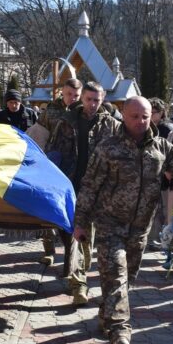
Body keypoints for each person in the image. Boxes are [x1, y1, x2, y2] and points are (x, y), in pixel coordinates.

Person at [74, 97, 173, 344]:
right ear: (123, 115)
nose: (141, 122)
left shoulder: (161, 148)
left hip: (140, 228)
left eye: (145, 116)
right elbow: (89, 186)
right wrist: (80, 223)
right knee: (117, 275)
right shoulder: (107, 148)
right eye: (135, 116)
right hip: (110, 224)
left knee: (125, 279)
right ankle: (120, 330)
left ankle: (106, 316)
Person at [47, 81, 120, 305]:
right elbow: (53, 151)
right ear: (82, 98)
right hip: (70, 186)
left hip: (98, 190)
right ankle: (78, 282)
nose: (92, 104)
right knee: (73, 234)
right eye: (88, 99)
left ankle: (80, 277)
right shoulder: (66, 122)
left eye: (97, 100)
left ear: (103, 98)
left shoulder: (111, 126)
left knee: (87, 237)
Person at [36, 79, 83, 267]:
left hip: (75, 168)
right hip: (52, 166)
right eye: (69, 94)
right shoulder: (51, 111)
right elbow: (39, 135)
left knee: (72, 213)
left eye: (76, 95)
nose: (72, 99)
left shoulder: (83, 112)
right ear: (62, 92)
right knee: (47, 208)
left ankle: (72, 257)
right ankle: (48, 250)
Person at [149, 97, 173, 249]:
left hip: (164, 175)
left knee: (165, 209)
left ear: (162, 113)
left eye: (155, 112)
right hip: (149, 175)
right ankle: (153, 238)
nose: (151, 115)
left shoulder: (166, 129)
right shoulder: (144, 127)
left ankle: (164, 239)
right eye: (149, 111)